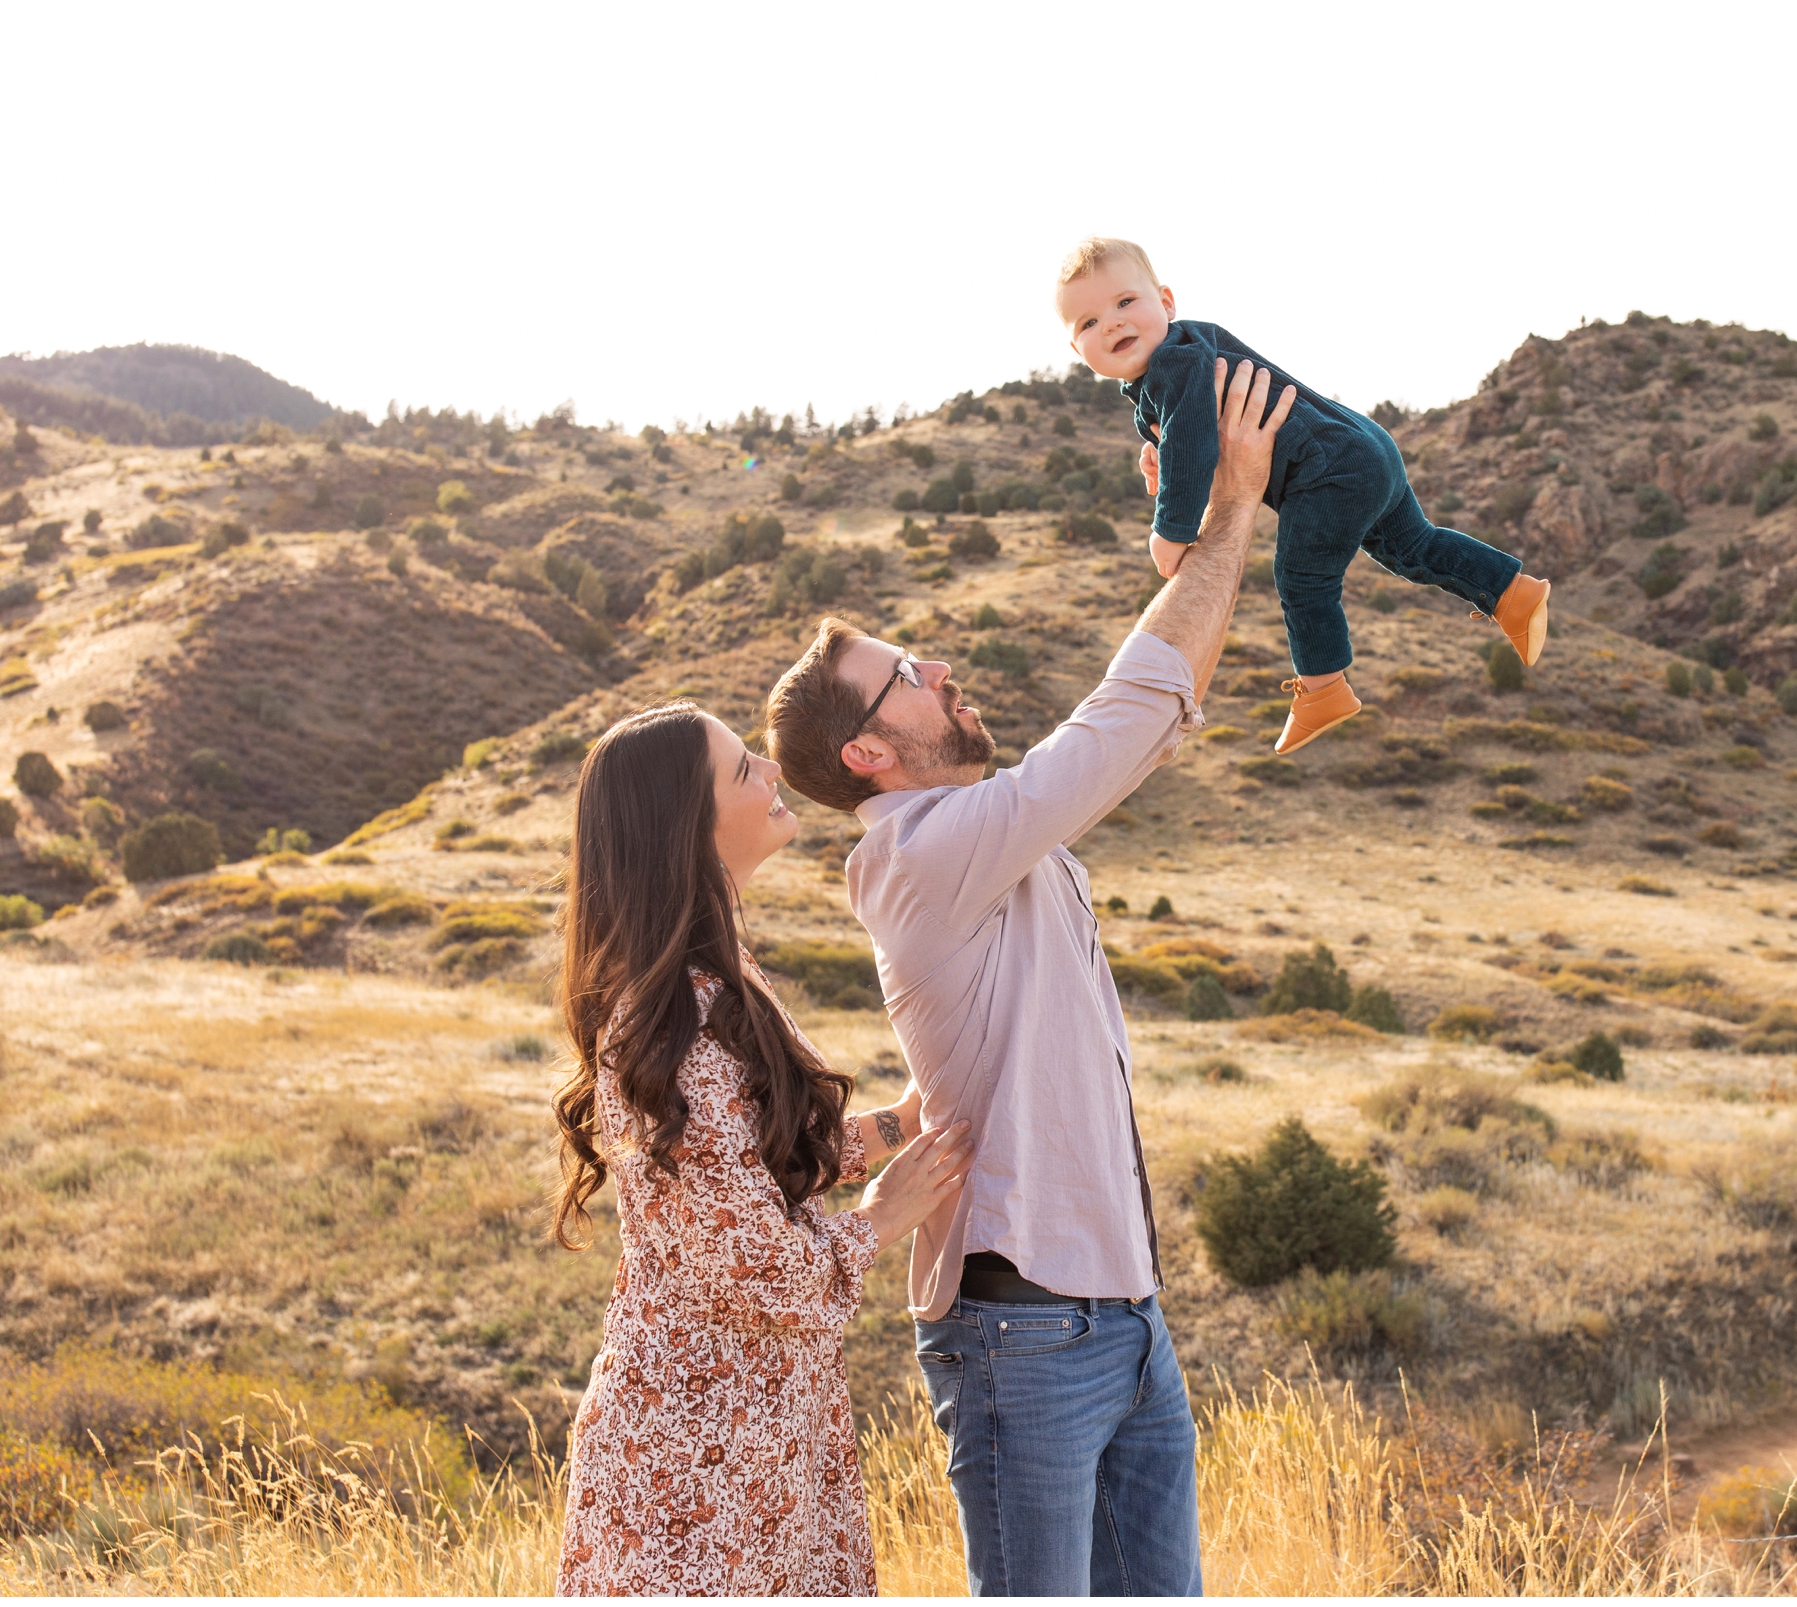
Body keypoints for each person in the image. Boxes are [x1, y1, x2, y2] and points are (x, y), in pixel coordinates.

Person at [762, 358, 1296, 1595]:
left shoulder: (996, 833)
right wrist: (1233, 516)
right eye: (911, 675)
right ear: (870, 751)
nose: (943, 667)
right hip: (1023, 1330)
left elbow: (1158, 710)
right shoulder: (917, 852)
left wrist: (1195, 527)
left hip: (1122, 1317)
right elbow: (1122, 715)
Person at [550, 700, 975, 1597]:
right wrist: (879, 1219)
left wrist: (898, 1123)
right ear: (686, 829)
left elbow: (756, 1171)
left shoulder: (704, 988)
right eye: (745, 768)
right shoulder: (669, 1025)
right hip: (699, 1467)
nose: (773, 772)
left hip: (750, 1439)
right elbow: (763, 1266)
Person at [1055, 234, 1553, 754]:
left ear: (1167, 302)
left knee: (1303, 578)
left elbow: (1193, 443)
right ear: (1076, 349)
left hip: (1329, 470)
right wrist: (1177, 473)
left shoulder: (1174, 365)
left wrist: (1170, 528)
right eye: (1088, 322)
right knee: (1413, 546)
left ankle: (1323, 690)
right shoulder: (1182, 358)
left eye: (1125, 302)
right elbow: (1195, 447)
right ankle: (1512, 593)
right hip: (1363, 447)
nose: (1111, 322)